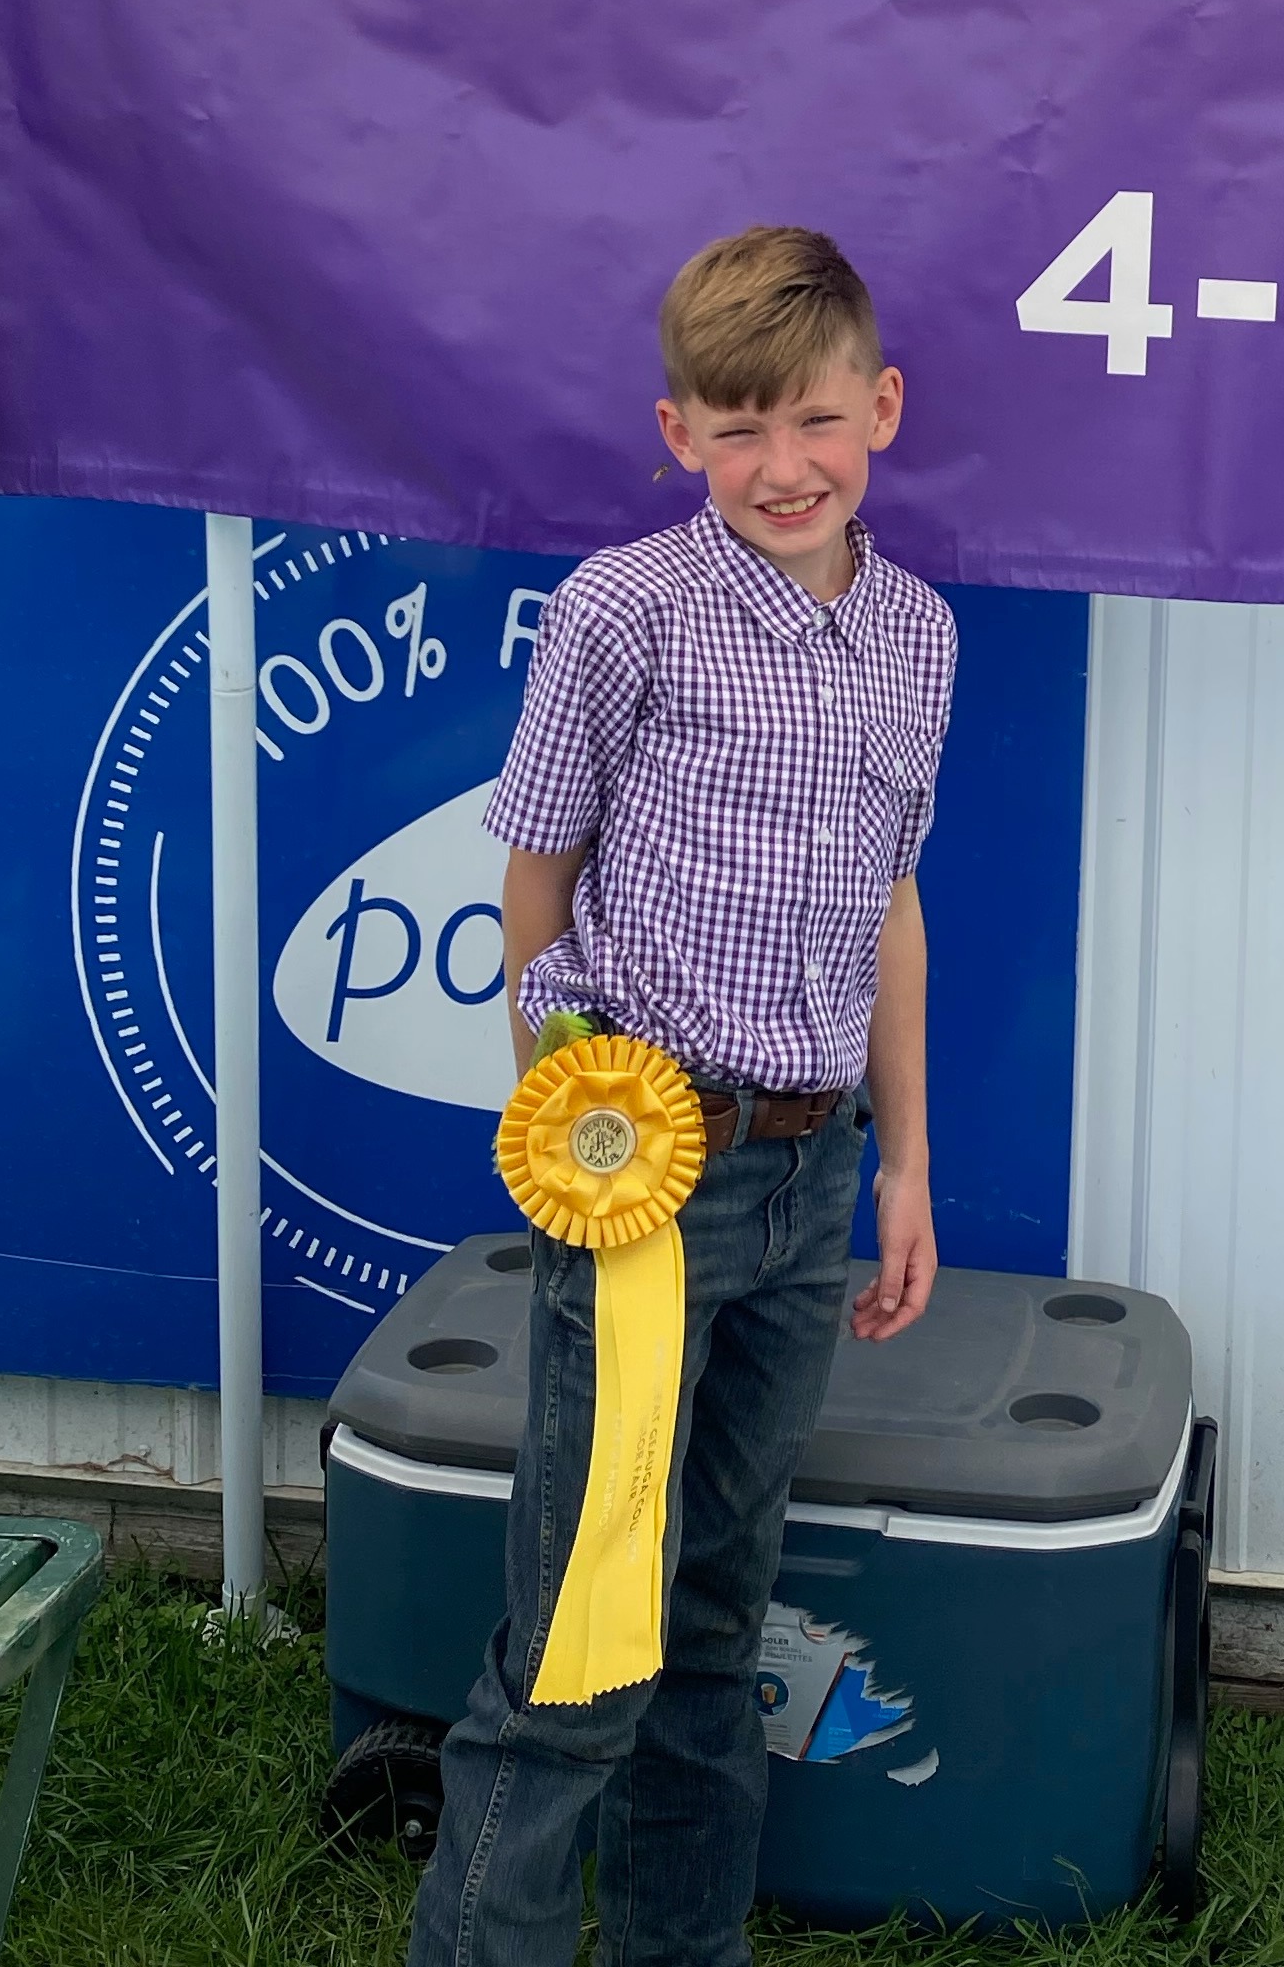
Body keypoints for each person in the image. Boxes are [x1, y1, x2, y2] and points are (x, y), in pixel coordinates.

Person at [408, 225, 955, 1967]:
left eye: (809, 422)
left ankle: (678, 1946)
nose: (778, 467)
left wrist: (905, 1168)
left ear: (880, 407)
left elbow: (889, 902)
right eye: (735, 430)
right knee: (586, 1632)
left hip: (812, 1180)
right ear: (677, 433)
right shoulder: (619, 614)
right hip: (654, 1165)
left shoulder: (920, 640)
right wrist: (569, 1141)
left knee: (718, 1609)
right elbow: (537, 884)